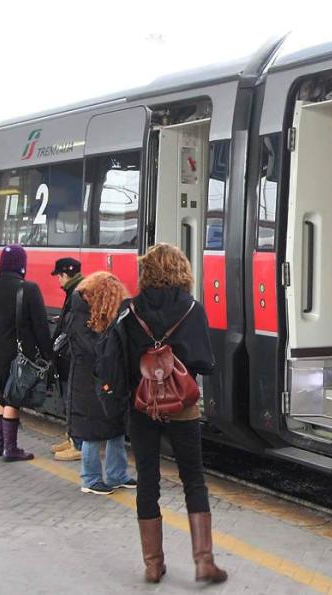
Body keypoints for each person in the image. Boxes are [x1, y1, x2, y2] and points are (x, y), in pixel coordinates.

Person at [104, 243, 226, 584]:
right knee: (193, 480)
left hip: (142, 407)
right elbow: (204, 361)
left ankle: (153, 565)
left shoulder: (130, 310)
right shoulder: (192, 309)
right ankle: (204, 562)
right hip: (182, 409)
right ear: (181, 271)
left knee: (148, 480)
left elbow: (119, 360)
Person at [65, 271, 137, 494]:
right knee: (91, 430)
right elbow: (97, 348)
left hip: (106, 379)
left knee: (115, 425)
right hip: (87, 382)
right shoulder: (79, 316)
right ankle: (90, 478)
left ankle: (117, 474)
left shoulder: (104, 316)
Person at [0, 245, 53, 462]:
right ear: (22, 265)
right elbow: (40, 326)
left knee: (3, 395)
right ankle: (10, 449)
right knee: (13, 399)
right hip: (19, 354)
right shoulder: (29, 289)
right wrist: (49, 355)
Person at [49, 256, 83, 461]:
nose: (58, 281)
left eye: (59, 276)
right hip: (70, 352)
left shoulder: (77, 293)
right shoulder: (75, 290)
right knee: (69, 395)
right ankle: (71, 437)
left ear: (65, 275)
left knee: (73, 397)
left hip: (72, 354)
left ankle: (77, 443)